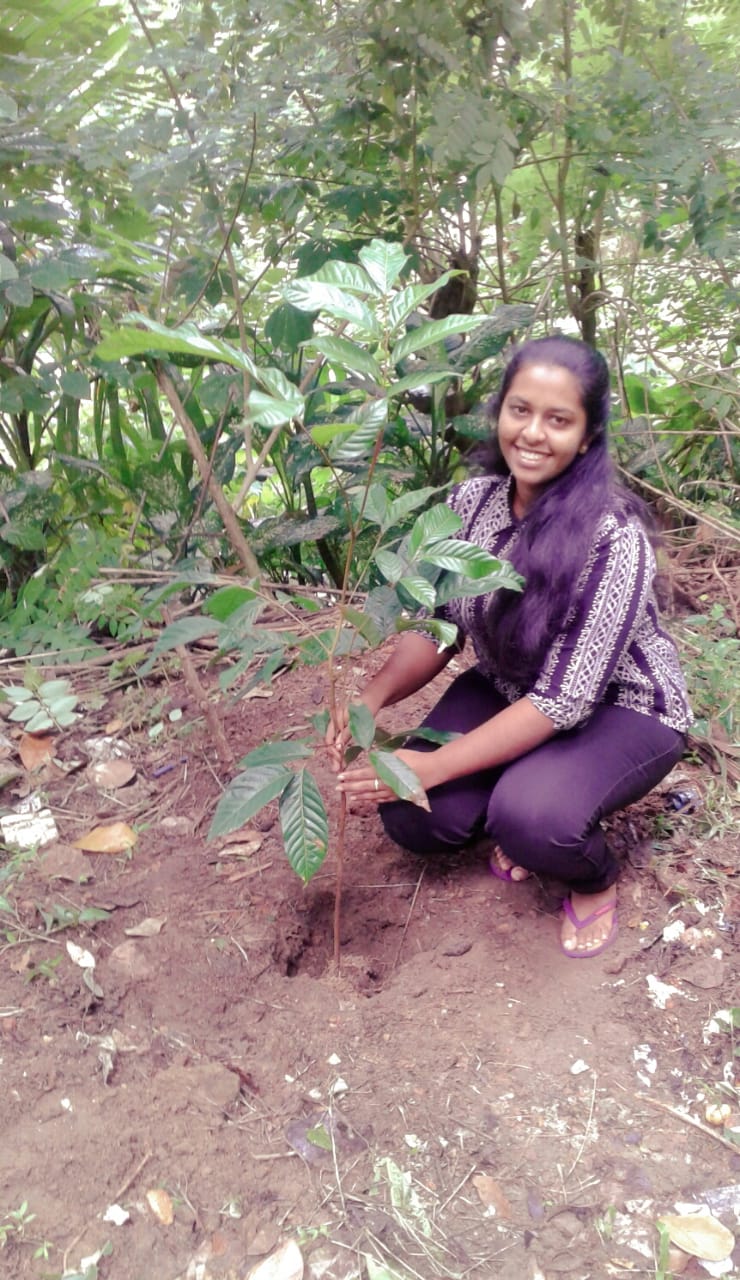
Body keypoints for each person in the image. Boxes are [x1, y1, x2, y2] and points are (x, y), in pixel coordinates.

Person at [327, 336, 692, 959]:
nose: (532, 433)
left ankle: (592, 873)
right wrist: (370, 698)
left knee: (533, 821)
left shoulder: (613, 535)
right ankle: (525, 793)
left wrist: (434, 765)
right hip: (509, 686)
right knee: (415, 816)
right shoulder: (469, 505)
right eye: (520, 410)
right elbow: (440, 626)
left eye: (558, 420)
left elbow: (564, 701)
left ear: (587, 435)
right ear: (500, 412)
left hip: (622, 708)